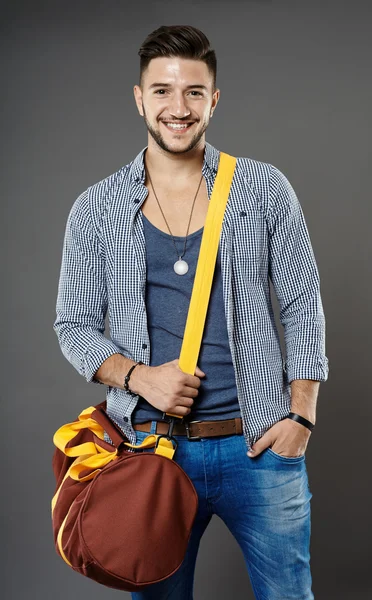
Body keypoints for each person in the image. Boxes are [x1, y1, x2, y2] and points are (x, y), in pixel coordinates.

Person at [53, 24, 329, 600]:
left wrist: (300, 418)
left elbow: (303, 304)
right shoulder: (96, 208)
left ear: (214, 99)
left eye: (193, 92)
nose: (177, 108)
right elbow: (72, 326)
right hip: (153, 453)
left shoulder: (263, 189)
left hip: (259, 448)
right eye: (162, 91)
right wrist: (137, 376)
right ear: (139, 97)